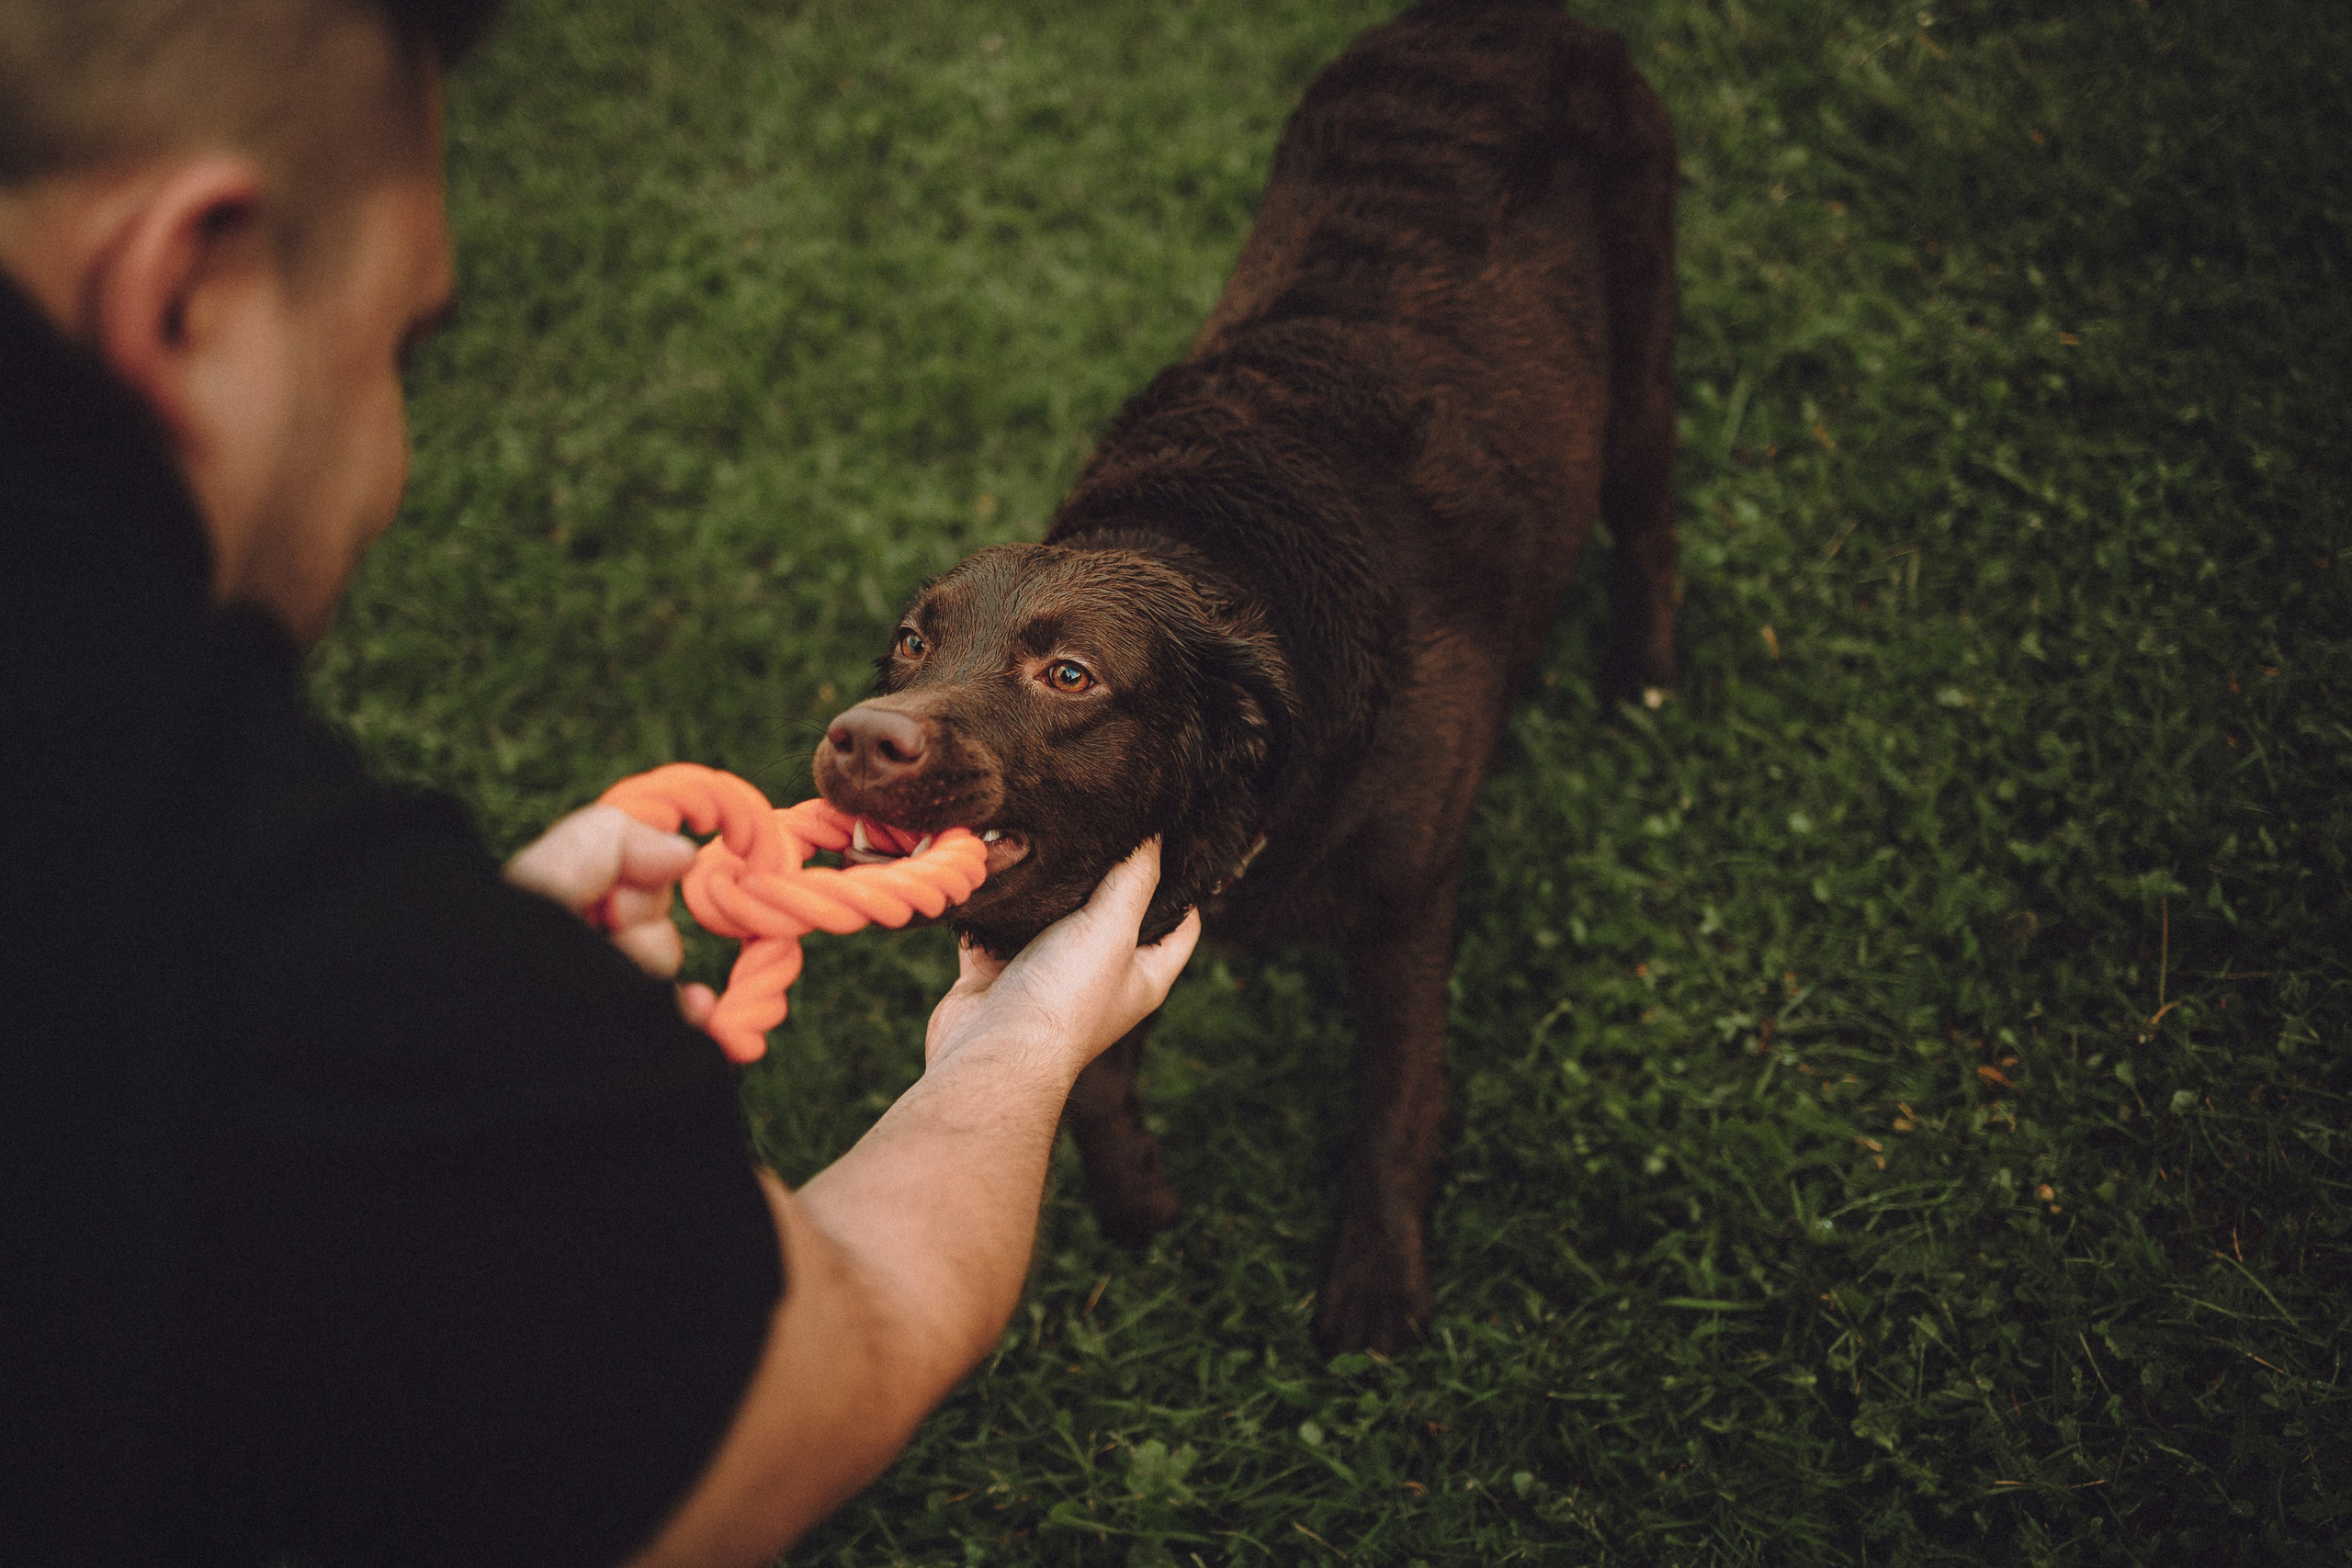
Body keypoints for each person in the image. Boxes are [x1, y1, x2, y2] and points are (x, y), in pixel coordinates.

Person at [0, 1, 1200, 1563]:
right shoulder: (271, 947)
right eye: (398, 348)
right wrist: (1019, 1043)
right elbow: (839, 1361)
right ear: (186, 290)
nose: (395, 460)